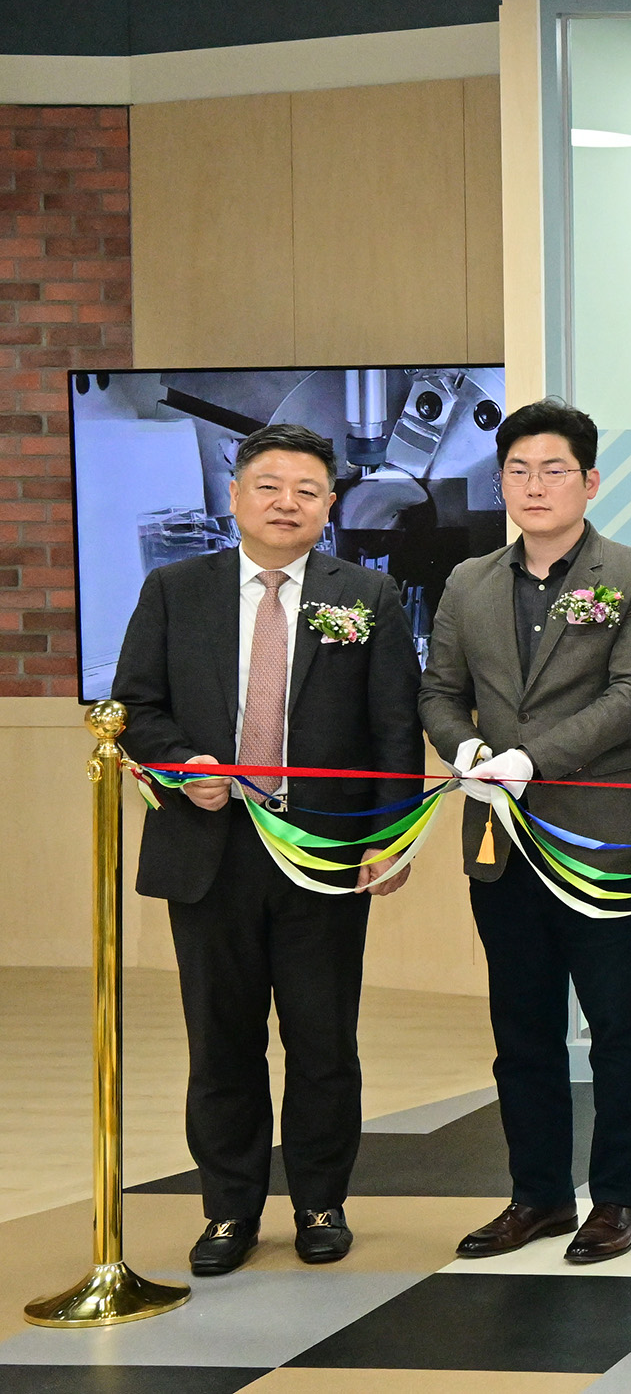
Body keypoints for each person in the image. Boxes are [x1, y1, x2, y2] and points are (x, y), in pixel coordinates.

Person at [112, 422, 423, 1277]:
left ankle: (321, 1199)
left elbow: (393, 729)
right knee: (221, 1040)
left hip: (321, 851)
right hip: (210, 847)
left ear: (330, 504)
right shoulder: (176, 588)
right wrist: (183, 767)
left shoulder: (367, 595)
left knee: (324, 1039)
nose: (287, 503)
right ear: (237, 495)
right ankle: (227, 1210)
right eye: (270, 486)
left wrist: (389, 838)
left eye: (307, 490)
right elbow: (135, 704)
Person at [420, 399, 631, 1265]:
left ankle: (620, 1198)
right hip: (502, 841)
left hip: (607, 838)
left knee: (618, 1027)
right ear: (500, 482)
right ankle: (536, 1195)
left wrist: (528, 756)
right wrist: (466, 750)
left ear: (591, 480)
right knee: (522, 1030)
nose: (536, 486)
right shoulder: (466, 582)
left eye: (555, 470)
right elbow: (437, 691)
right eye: (520, 471)